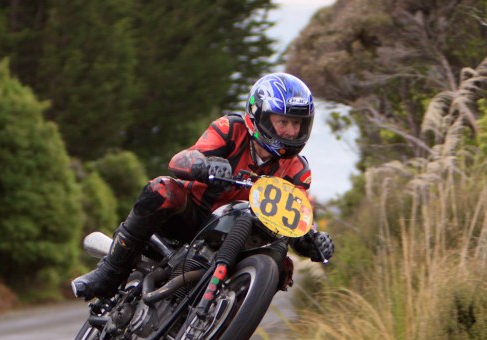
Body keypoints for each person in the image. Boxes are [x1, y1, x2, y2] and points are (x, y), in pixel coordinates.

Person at [72, 72, 335, 300]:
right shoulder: (230, 129)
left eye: (296, 124)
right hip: (196, 217)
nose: (290, 131)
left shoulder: (298, 169)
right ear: (260, 117)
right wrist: (205, 165)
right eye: (283, 121)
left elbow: (297, 214)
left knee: (281, 265)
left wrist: (311, 238)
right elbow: (181, 159)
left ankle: (224, 321)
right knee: (162, 189)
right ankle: (108, 272)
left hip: (243, 238)